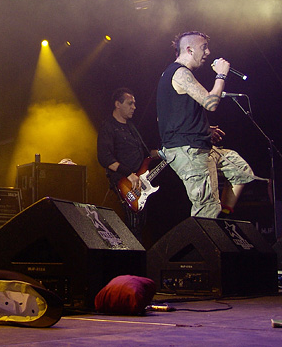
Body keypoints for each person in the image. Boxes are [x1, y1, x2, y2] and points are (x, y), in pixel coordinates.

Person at [156, 31, 263, 219]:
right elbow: (211, 103)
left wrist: (204, 129)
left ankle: (224, 220)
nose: (208, 52)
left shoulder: (178, 73)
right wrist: (221, 75)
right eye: (203, 48)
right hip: (188, 152)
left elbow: (175, 114)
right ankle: (204, 244)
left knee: (241, 171)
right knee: (207, 208)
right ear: (188, 49)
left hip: (200, 146)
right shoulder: (179, 73)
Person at [97, 88, 158, 241]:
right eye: (130, 103)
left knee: (139, 226)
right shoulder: (108, 127)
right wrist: (128, 174)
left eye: (135, 104)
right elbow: (104, 158)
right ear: (118, 104)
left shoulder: (132, 127)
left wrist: (163, 153)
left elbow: (145, 153)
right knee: (129, 227)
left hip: (139, 183)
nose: (134, 107)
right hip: (122, 184)